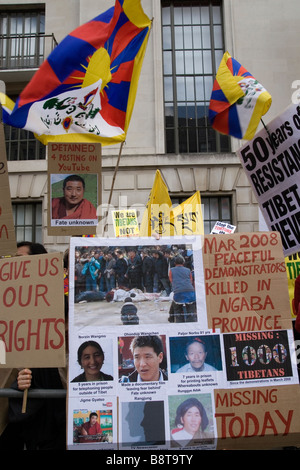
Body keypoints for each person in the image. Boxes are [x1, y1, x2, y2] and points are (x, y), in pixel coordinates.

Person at [168, 255, 196, 322]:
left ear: (174, 263)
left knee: (178, 310)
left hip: (178, 292)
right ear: (183, 263)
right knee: (191, 310)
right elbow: (191, 280)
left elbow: (171, 280)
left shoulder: (171, 270)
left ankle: (179, 324)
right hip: (190, 292)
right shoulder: (188, 270)